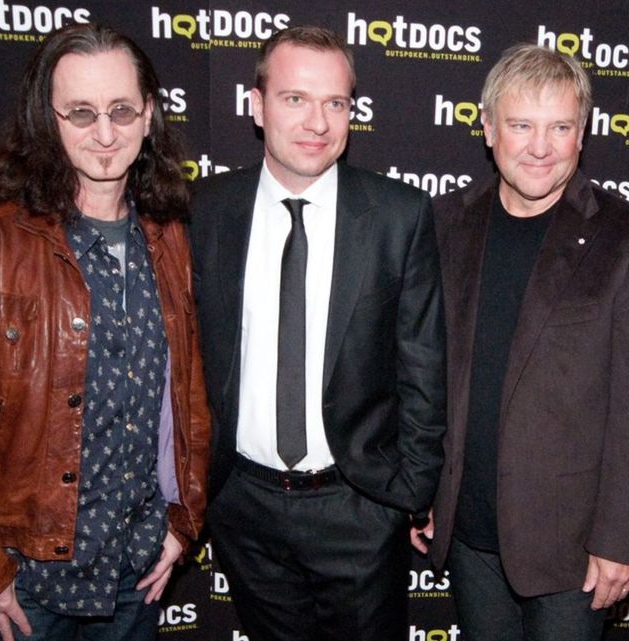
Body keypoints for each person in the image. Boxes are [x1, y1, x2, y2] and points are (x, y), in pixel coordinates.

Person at [0, 23, 210, 641]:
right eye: (81, 112)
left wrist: (182, 519)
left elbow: (188, 392)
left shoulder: (166, 234)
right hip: (22, 581)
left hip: (135, 569)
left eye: (122, 110)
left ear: (149, 116)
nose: (104, 133)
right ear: (48, 118)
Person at [410, 43, 629, 641]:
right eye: (521, 125)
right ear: (487, 128)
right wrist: (422, 485)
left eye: (559, 126)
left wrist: (621, 539)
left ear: (581, 134)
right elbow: (424, 374)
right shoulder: (442, 223)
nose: (540, 146)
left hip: (574, 547)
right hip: (469, 531)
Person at [190, 26, 446, 641]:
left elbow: (423, 365)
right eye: (295, 99)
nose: (318, 121)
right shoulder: (203, 209)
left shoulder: (398, 216)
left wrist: (407, 493)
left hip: (357, 506)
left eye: (335, 103)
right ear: (256, 105)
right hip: (241, 503)